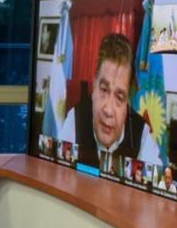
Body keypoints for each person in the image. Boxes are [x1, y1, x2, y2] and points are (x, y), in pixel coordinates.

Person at [58, 33, 160, 170]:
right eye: (104, 90)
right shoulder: (75, 120)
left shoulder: (142, 136)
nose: (108, 110)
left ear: (127, 102)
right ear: (94, 85)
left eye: (119, 97)